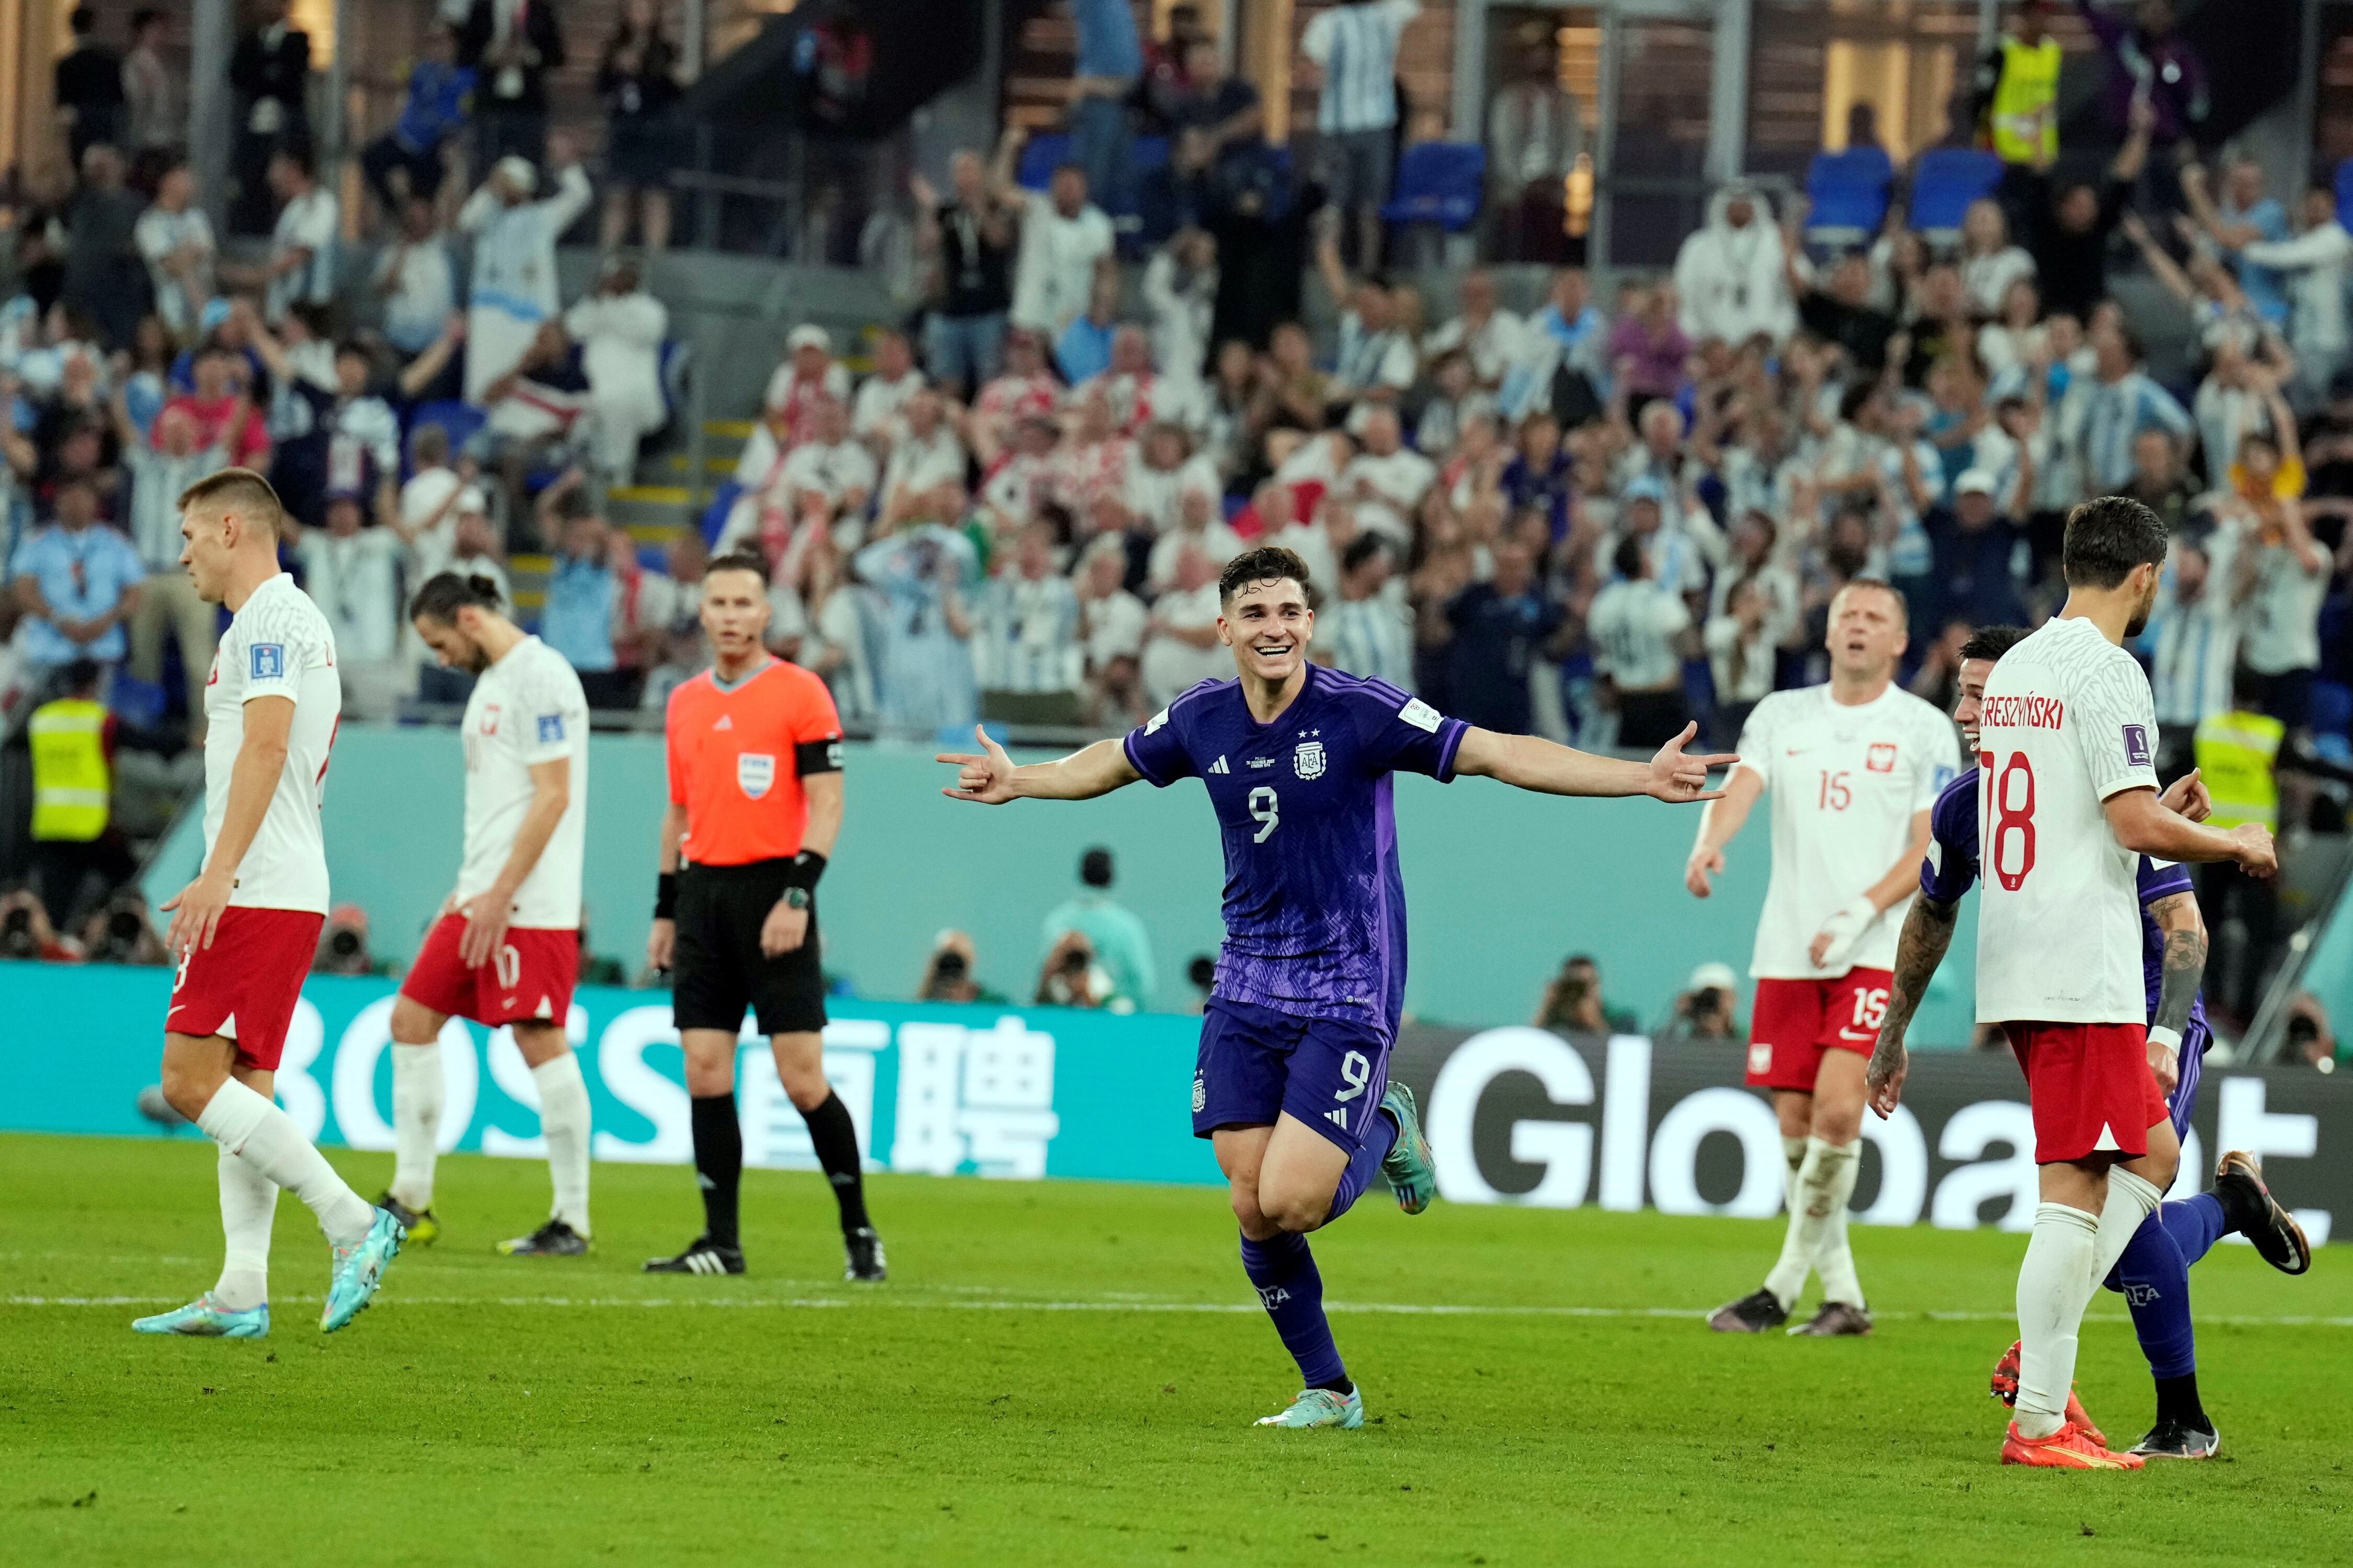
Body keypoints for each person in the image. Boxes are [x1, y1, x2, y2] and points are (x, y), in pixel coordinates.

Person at [936, 543, 1734, 1428]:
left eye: (1288, 612)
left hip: (1347, 981)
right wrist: (1022, 780)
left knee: (1296, 1200)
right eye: (1255, 614)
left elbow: (1500, 753)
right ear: (1225, 628)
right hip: (1245, 980)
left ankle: (1386, 1119)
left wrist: (1638, 777)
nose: (1273, 628)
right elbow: (1113, 761)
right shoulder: (1202, 717)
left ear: (1310, 623)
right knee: (1250, 1201)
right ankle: (1332, 1390)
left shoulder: (1360, 711)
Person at [1865, 496, 2280, 1468]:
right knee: (2079, 1186)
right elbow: (2134, 826)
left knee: (2153, 1151)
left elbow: (2072, 810)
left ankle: (2047, 1378)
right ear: (2144, 577)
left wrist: (2154, 808)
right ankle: (2042, 1416)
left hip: (2024, 953)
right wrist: (2234, 839)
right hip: (2081, 963)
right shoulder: (2109, 670)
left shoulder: (2016, 671)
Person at [132, 467, 405, 1341]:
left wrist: (218, 870)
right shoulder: (276, 622)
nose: (182, 558)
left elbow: (267, 744)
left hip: (256, 884)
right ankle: (242, 1286)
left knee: (186, 1079)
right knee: (243, 1084)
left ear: (227, 528)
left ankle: (354, 1220)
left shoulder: (270, 623)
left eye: (186, 538)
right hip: (282, 882)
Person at [1685, 579, 1960, 1338]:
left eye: (1875, 617)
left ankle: (1779, 1286)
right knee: (1800, 1122)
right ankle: (1844, 1297)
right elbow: (1741, 786)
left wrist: (1862, 909)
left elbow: (1928, 844)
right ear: (1829, 631)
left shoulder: (1924, 727)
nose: (1859, 627)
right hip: (1787, 944)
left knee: (1841, 1109)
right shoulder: (1782, 714)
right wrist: (1710, 840)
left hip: (1874, 946)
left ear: (1900, 640)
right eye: (1848, 615)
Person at [645, 548, 882, 1282]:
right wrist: (664, 909)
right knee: (704, 1069)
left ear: (766, 611)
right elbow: (678, 810)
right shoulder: (685, 700)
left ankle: (859, 1232)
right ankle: (721, 1241)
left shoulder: (801, 691)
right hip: (703, 896)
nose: (730, 616)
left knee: (801, 1076)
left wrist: (798, 894)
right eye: (717, 603)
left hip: (777, 891)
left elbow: (829, 801)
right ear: (702, 609)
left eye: (743, 603)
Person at [382, 573, 593, 1258]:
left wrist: (502, 889)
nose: (439, 656)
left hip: (528, 900)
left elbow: (553, 795)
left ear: (469, 618)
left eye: (439, 641)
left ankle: (572, 1217)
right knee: (411, 1019)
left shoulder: (543, 677)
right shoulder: (492, 683)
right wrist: (468, 884)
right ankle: (410, 1198)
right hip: (482, 892)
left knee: (538, 1036)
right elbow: (501, 803)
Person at [458, 134, 594, 404]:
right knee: (481, 386)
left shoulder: (543, 218)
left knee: (522, 387)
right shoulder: (488, 217)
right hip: (488, 313)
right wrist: (490, 189)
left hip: (530, 315)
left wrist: (566, 166)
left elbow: (580, 196)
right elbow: (465, 221)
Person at [1298, 0, 1421, 269]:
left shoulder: (1386, 14)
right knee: (1334, 203)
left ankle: (1369, 272)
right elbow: (1311, 71)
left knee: (1371, 206)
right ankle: (1331, 271)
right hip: (1340, 127)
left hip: (1374, 123)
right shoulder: (1328, 23)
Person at [26, 658, 134, 932]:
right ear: (95, 683)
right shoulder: (100, 719)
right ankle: (95, 934)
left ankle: (58, 949)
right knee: (125, 879)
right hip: (90, 826)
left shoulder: (41, 719)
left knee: (55, 904)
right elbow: (145, 741)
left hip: (50, 824)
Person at [10, 478, 144, 681]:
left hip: (103, 647)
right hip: (49, 649)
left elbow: (135, 591)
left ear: (96, 503)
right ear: (57, 502)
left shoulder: (116, 542)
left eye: (83, 497)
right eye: (69, 497)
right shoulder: (36, 541)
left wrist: (107, 620)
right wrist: (58, 619)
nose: (76, 503)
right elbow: (23, 591)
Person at [912, 152, 1018, 398]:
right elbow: (925, 246)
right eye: (961, 171)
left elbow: (998, 240)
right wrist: (930, 210)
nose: (966, 177)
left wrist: (978, 206)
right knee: (948, 383)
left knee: (990, 384)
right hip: (950, 310)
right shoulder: (946, 211)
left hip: (988, 310)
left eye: (971, 171)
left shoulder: (997, 207)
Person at [564, 252, 669, 482]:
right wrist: (597, 300)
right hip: (590, 388)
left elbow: (647, 332)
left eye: (620, 276)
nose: (613, 281)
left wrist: (609, 310)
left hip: (634, 391)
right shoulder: (595, 304)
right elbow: (572, 328)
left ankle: (618, 475)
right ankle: (583, 477)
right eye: (610, 276)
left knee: (618, 405)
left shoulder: (649, 309)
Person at [1002, 131, 1115, 338]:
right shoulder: (1036, 208)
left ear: (1085, 189)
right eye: (1062, 184)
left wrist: (1102, 307)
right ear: (1053, 186)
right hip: (1030, 317)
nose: (1068, 191)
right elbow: (1000, 190)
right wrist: (1009, 148)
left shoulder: (1099, 224)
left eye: (1073, 186)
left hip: (1073, 321)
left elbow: (1105, 271)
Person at [360, 23, 474, 223]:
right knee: (370, 158)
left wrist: (451, 140)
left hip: (433, 147)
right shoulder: (420, 69)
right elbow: (393, 81)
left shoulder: (465, 77)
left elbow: (464, 113)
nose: (435, 47)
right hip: (405, 137)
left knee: (422, 203)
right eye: (431, 42)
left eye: (441, 41)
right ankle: (394, 210)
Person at [1588, 536, 1693, 750]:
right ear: (1644, 562)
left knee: (1633, 770)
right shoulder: (1661, 599)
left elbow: (1599, 651)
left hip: (1626, 702)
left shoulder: (1603, 603)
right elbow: (1690, 647)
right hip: (1664, 700)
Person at [598, 0, 685, 253]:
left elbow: (672, 91)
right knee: (618, 195)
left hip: (653, 133)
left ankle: (655, 259)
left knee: (655, 196)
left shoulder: (664, 50)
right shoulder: (615, 48)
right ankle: (606, 259)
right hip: (624, 131)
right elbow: (602, 88)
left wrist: (644, 70)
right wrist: (618, 69)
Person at [1674, 184, 1795, 348]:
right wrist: (1695, 335)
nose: (1740, 209)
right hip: (1711, 342)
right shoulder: (1698, 245)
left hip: (1766, 341)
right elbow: (1683, 294)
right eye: (1735, 205)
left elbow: (1797, 293)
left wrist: (1779, 332)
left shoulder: (1777, 242)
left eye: (1745, 205)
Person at [1041, 846, 1157, 1012]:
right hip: (1115, 1023)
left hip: (1065, 1022)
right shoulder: (1128, 927)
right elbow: (1144, 985)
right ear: (1111, 876)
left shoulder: (1057, 922)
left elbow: (1045, 978)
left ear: (1081, 874)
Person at [227, 2, 310, 235]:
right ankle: (255, 231)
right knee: (253, 180)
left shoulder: (297, 40)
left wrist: (266, 73)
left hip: (286, 125)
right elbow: (239, 76)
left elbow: (293, 79)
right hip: (255, 125)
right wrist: (271, 71)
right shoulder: (250, 41)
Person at [460, 0, 566, 170]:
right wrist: (487, 56)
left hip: (528, 106)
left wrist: (531, 57)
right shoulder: (482, 9)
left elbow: (557, 56)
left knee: (529, 166)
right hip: (491, 105)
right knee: (487, 164)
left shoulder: (540, 10)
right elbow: (465, 55)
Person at [1065, 0, 1142, 223]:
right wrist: (1088, 85)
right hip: (1099, 101)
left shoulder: (1115, 7)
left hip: (1115, 100)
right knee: (1092, 189)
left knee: (1115, 187)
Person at [135, 162, 218, 344]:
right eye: (185, 178)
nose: (192, 184)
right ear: (168, 182)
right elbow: (170, 264)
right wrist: (189, 254)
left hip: (208, 309)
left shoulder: (197, 217)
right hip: (173, 316)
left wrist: (183, 254)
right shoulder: (150, 223)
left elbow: (206, 253)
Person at [54, 7, 125, 164]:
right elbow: (120, 99)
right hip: (106, 126)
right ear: (94, 27)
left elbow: (63, 106)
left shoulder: (66, 65)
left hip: (80, 128)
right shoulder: (110, 62)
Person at [122, 9, 181, 165]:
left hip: (167, 135)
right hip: (145, 137)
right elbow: (133, 101)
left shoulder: (164, 63)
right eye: (154, 30)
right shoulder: (135, 63)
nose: (160, 36)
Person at [1655, 960, 1741, 1047]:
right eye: (1704, 998)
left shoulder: (1748, 1038)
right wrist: (1677, 1017)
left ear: (1733, 999)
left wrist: (1726, 1029)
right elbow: (1658, 1049)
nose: (1710, 1002)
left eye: (1717, 996)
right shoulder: (1680, 1042)